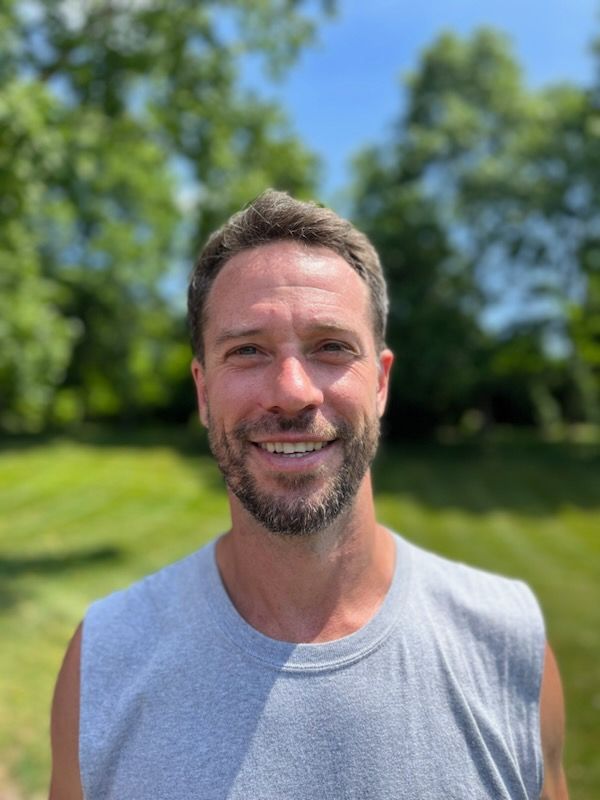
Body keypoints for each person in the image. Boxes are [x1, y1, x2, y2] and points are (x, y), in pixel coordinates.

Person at [50, 190, 569, 799]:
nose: (293, 391)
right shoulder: (103, 660)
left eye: (330, 348)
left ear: (379, 382)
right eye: (247, 351)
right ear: (202, 390)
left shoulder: (509, 646)